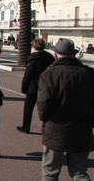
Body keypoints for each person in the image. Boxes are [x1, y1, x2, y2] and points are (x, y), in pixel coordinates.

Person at [37, 38, 94, 180]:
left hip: (55, 128)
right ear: (74, 54)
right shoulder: (89, 74)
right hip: (82, 129)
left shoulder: (49, 74)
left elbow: (43, 105)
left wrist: (45, 118)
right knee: (79, 172)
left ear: (56, 54)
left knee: (50, 171)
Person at [17, 38, 55, 134]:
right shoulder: (49, 58)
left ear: (34, 47)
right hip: (47, 86)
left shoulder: (33, 59)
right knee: (46, 109)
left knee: (28, 108)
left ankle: (26, 127)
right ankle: (46, 128)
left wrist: (24, 89)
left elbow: (28, 76)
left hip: (33, 87)